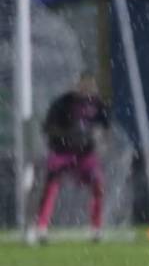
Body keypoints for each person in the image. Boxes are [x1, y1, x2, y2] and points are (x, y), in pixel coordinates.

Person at [32, 73, 110, 244]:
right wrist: (68, 136)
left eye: (91, 86)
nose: (87, 90)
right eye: (84, 85)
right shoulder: (63, 103)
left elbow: (105, 127)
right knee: (51, 186)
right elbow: (49, 128)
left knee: (98, 185)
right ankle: (41, 227)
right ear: (77, 85)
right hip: (62, 152)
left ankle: (96, 228)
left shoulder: (97, 105)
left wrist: (97, 139)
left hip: (85, 154)